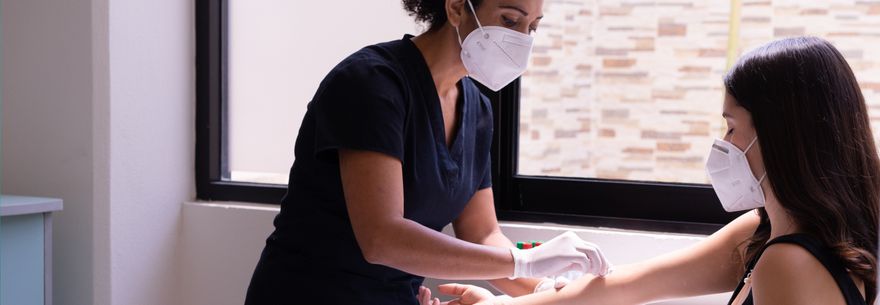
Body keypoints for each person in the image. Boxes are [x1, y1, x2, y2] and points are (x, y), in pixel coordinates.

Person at [427, 36, 880, 305]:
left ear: (782, 137)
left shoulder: (790, 262)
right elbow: (620, 288)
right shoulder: (763, 234)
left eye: (731, 126)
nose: (723, 145)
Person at [244, 1, 610, 304]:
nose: (520, 40)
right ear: (455, 8)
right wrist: (525, 261)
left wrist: (544, 287)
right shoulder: (372, 83)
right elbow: (382, 238)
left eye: (532, 27)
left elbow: (481, 235)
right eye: (510, 20)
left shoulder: (477, 109)